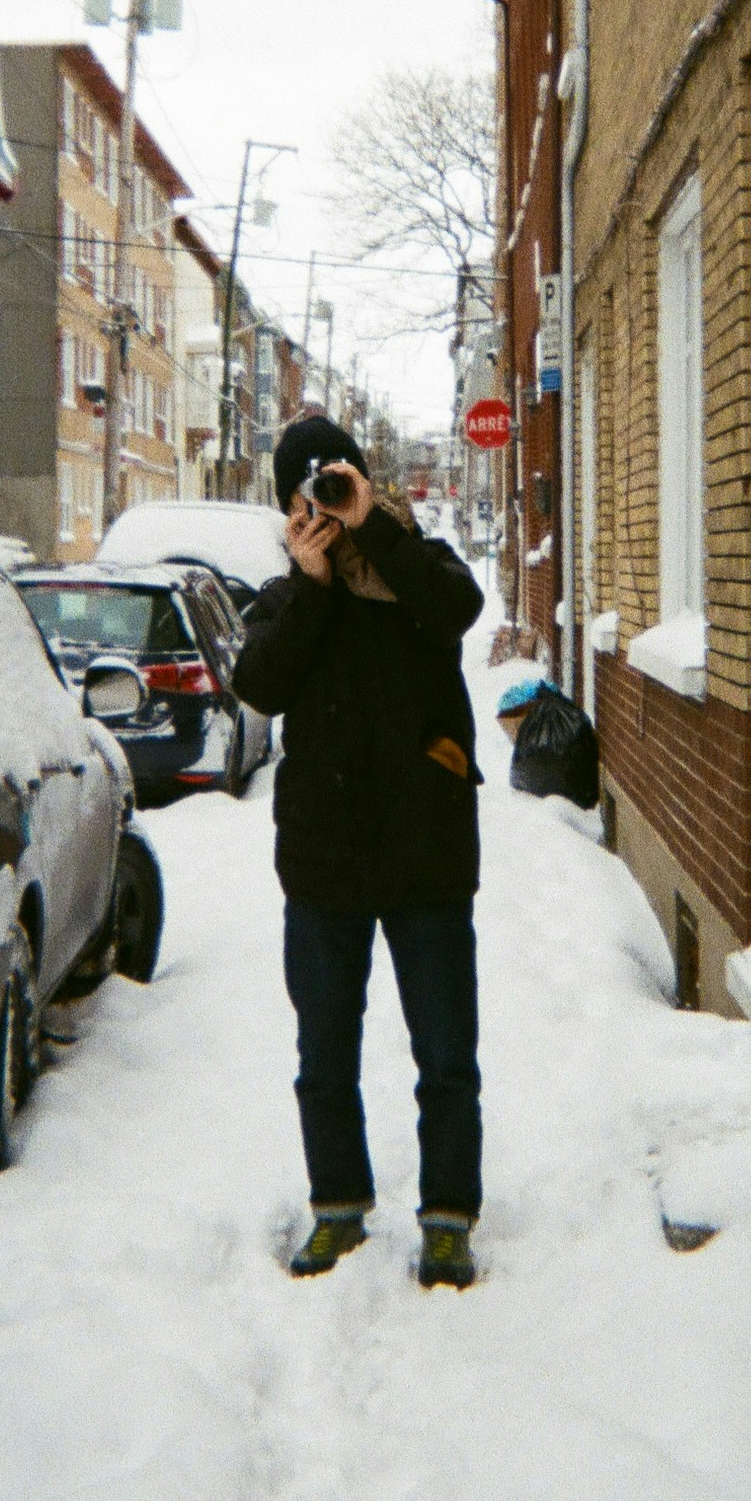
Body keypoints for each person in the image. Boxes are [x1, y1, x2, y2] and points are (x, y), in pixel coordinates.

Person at [233, 414, 486, 1288]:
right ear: (289, 509)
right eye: (313, 496)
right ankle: (337, 1208)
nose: (329, 509)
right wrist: (311, 583)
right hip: (326, 859)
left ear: (364, 481)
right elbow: (258, 683)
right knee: (324, 1052)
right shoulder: (284, 598)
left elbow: (458, 609)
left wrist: (375, 522)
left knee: (447, 1053)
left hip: (428, 851)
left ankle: (448, 1217)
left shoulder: (420, 561)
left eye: (338, 484)